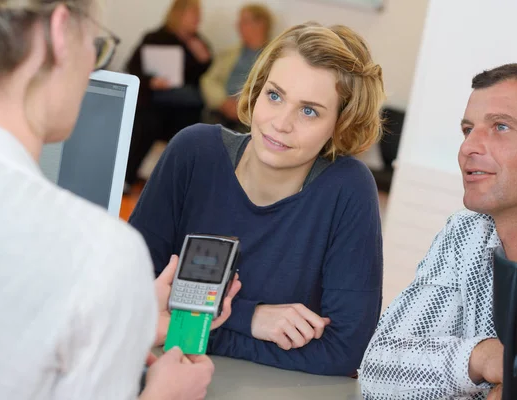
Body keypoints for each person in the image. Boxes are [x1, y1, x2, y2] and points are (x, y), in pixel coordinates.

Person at [0, 1, 240, 399]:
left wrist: (124, 313)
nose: (94, 64)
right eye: (97, 45)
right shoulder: (99, 253)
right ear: (59, 31)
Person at [129, 22, 385, 376]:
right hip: (165, 377)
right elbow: (132, 297)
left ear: (341, 124)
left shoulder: (348, 189)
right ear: (257, 89)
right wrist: (250, 318)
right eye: (275, 95)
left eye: (309, 110)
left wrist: (191, 328)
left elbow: (346, 350)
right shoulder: (193, 153)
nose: (281, 123)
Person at [359, 63, 517, 399]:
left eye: (500, 127)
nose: (468, 148)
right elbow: (378, 370)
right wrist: (480, 357)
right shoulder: (463, 233)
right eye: (467, 130)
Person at [124, 0, 212, 190]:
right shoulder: (154, 37)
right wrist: (152, 82)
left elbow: (204, 76)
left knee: (190, 132)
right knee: (146, 124)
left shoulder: (198, 42)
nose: (198, 19)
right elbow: (133, 67)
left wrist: (204, 58)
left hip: (184, 107)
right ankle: (126, 179)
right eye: (194, 14)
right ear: (179, 14)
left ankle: (179, 188)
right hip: (155, 102)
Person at [200, 3, 273, 132]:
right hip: (221, 109)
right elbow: (208, 80)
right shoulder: (229, 53)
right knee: (207, 135)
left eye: (244, 21)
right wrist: (223, 102)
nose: (238, 26)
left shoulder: (273, 58)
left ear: (261, 24)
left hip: (251, 115)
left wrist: (244, 106)